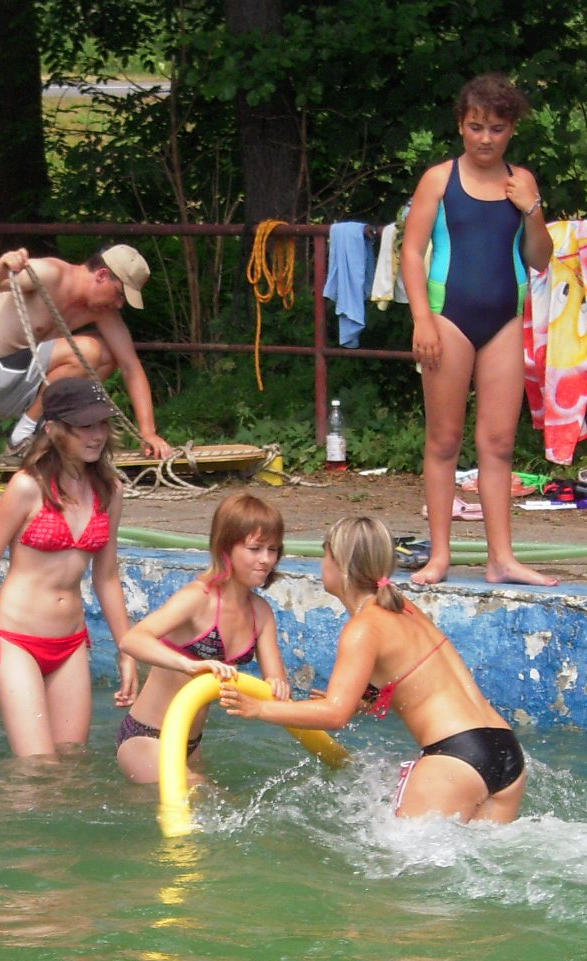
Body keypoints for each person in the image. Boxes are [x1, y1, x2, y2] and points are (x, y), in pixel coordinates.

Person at [221, 516, 527, 823]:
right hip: (505, 752)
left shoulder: (363, 628)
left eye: (325, 555)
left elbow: (334, 715)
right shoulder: (402, 606)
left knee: (399, 854)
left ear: (341, 565)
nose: (322, 565)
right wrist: (363, 699)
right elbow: (412, 674)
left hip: (455, 757)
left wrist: (259, 708)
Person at [400, 73, 554, 587]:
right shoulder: (439, 180)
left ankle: (501, 558)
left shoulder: (521, 182)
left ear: (512, 129)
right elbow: (411, 252)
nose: (486, 138)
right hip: (448, 318)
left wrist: (532, 207)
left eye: (497, 128)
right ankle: (440, 555)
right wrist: (422, 318)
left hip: (504, 320)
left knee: (499, 443)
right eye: (476, 127)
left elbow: (540, 258)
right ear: (460, 125)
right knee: (444, 440)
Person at [0, 376, 139, 756]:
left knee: (72, 762)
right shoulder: (27, 487)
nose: (97, 435)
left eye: (102, 424)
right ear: (54, 428)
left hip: (71, 642)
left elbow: (107, 576)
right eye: (85, 426)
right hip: (16, 639)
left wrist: (127, 649)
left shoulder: (110, 491)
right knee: (38, 767)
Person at [116, 492, 289, 784]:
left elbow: (276, 683)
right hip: (147, 738)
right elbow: (132, 640)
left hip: (190, 744)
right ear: (225, 548)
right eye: (255, 548)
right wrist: (188, 665)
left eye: (272, 549)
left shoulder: (261, 613)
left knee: (216, 806)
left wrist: (277, 686)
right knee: (205, 796)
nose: (266, 559)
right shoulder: (199, 598)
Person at [0, 245, 171, 458]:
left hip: (18, 391)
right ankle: (22, 437)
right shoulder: (49, 274)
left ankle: (46, 430)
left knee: (109, 355)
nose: (119, 305)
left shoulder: (101, 311)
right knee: (88, 351)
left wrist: (148, 433)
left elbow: (130, 366)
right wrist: (1, 269)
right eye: (120, 294)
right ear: (101, 275)